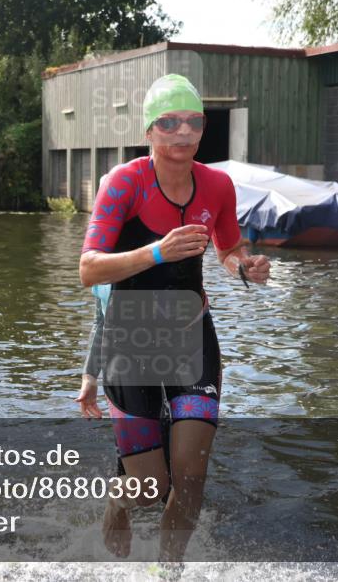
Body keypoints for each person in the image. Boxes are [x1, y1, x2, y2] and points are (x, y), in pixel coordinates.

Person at [76, 74, 271, 562]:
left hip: (191, 337)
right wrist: (156, 252)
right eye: (169, 122)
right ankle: (118, 500)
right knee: (147, 487)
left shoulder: (218, 186)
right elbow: (88, 269)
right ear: (149, 130)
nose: (182, 132)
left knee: (190, 473)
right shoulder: (125, 183)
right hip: (130, 341)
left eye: (193, 122)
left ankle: (169, 570)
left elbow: (228, 249)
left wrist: (244, 267)